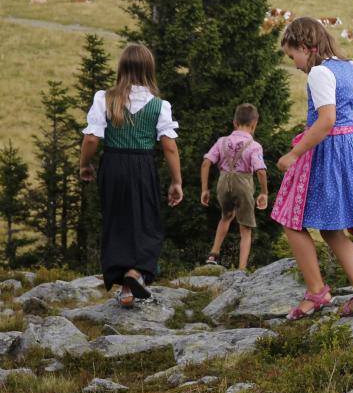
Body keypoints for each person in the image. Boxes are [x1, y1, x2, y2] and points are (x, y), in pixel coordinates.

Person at [272, 16, 353, 319]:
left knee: (289, 217)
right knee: (332, 229)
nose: (295, 64)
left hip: (328, 154)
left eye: (293, 56)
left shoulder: (319, 73)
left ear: (305, 47)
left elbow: (326, 121)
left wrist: (294, 154)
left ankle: (317, 291)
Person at [79, 43, 183, 307]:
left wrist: (84, 165)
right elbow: (169, 147)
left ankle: (126, 289)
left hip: (113, 164)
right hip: (143, 166)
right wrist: (176, 181)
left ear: (122, 68)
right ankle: (136, 273)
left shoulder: (105, 98)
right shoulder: (159, 105)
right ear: (149, 69)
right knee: (147, 222)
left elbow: (91, 138)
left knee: (117, 222)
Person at [199, 103, 268, 270]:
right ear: (254, 124)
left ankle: (213, 254)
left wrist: (205, 189)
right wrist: (264, 192)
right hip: (243, 184)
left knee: (226, 216)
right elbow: (260, 171)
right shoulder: (254, 146)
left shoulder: (222, 141)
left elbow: (206, 163)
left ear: (234, 123)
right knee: (245, 228)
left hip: (223, 182)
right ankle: (241, 269)